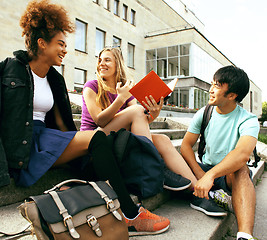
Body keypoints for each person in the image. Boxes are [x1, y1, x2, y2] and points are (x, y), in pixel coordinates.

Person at [0, 0, 170, 236]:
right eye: (60, 44)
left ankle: (110, 197)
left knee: (99, 142)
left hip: (47, 139)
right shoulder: (11, 69)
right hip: (22, 141)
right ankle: (130, 214)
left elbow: (62, 127)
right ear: (41, 44)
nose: (65, 49)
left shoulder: (55, 79)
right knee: (97, 139)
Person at [81, 47, 196, 193]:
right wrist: (120, 99)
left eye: (107, 60)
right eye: (100, 60)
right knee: (136, 110)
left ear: (118, 64)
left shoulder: (126, 91)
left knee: (163, 140)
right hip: (92, 141)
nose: (101, 64)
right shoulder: (91, 86)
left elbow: (139, 122)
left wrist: (154, 113)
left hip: (117, 139)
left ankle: (198, 191)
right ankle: (158, 169)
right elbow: (99, 120)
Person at [180, 65, 259, 240]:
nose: (210, 90)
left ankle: (245, 235)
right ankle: (207, 195)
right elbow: (186, 145)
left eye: (217, 86)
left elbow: (242, 154)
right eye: (212, 84)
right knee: (169, 155)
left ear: (232, 95)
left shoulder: (248, 120)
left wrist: (211, 176)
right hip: (205, 167)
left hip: (228, 174)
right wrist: (201, 173)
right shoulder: (205, 112)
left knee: (241, 168)